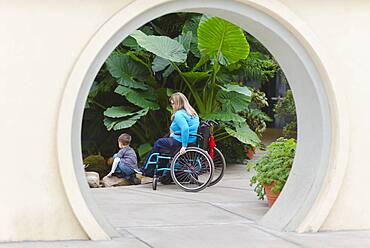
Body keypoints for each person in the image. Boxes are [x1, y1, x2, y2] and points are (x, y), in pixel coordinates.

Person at [142, 92, 200, 177]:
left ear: (178, 103)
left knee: (159, 143)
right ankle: (159, 171)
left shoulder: (179, 114)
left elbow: (185, 129)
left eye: (172, 103)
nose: (172, 105)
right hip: (192, 139)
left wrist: (184, 146)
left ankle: (147, 170)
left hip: (182, 141)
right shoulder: (192, 113)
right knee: (165, 140)